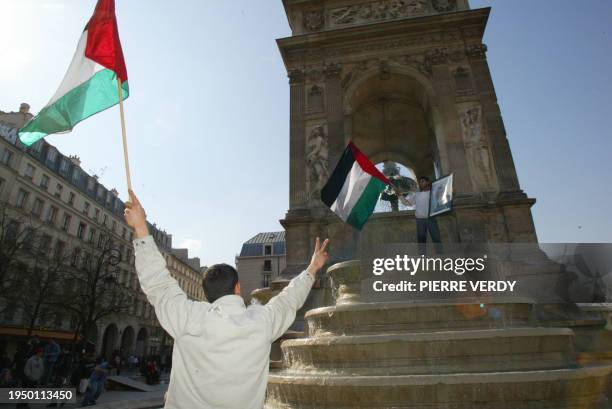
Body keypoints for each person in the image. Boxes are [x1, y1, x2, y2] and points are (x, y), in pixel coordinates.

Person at [123, 189, 330, 409]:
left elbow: (158, 283)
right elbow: (289, 299)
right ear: (237, 288)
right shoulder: (261, 322)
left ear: (206, 293)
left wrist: (141, 228)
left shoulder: (187, 317)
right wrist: (312, 268)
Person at [396, 176, 442, 245]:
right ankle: (422, 255)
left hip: (431, 218)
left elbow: (443, 198)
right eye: (420, 182)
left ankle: (440, 255)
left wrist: (451, 193)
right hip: (420, 220)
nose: (421, 183)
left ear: (428, 182)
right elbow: (407, 203)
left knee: (436, 238)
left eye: (422, 181)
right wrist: (400, 196)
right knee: (421, 240)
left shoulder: (434, 193)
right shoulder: (417, 195)